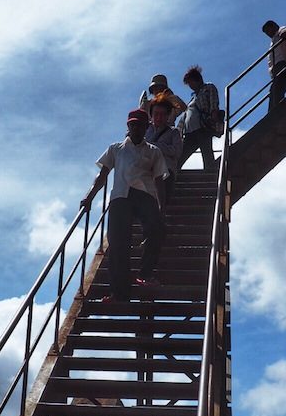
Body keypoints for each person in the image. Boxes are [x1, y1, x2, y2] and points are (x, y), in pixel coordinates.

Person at [81, 108, 167, 301]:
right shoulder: (116, 148)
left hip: (145, 196)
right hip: (120, 197)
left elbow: (160, 181)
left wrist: (162, 208)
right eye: (132, 124)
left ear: (147, 127)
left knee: (157, 229)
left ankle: (144, 273)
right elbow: (102, 175)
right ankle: (120, 293)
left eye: (140, 125)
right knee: (118, 244)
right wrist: (89, 197)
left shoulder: (154, 152)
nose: (136, 128)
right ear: (128, 126)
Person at [145, 95, 183, 210]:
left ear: (168, 116)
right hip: (145, 172)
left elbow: (177, 152)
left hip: (166, 173)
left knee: (162, 204)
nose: (159, 117)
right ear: (151, 115)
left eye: (163, 114)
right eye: (156, 114)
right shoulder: (144, 130)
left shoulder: (174, 132)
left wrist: (155, 146)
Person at [178, 65, 219, 171]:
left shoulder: (209, 88)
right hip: (189, 132)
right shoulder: (193, 97)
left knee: (207, 154)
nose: (190, 85)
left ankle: (210, 176)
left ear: (197, 79)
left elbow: (214, 104)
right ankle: (174, 176)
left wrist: (213, 119)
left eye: (191, 82)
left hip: (203, 128)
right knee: (180, 157)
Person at [263, 19, 286, 107]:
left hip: (284, 63)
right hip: (276, 70)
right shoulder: (272, 42)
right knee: (273, 92)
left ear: (274, 26)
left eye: (268, 30)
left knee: (277, 89)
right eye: (266, 33)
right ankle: (272, 112)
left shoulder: (280, 31)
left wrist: (284, 34)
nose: (268, 34)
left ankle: (277, 110)